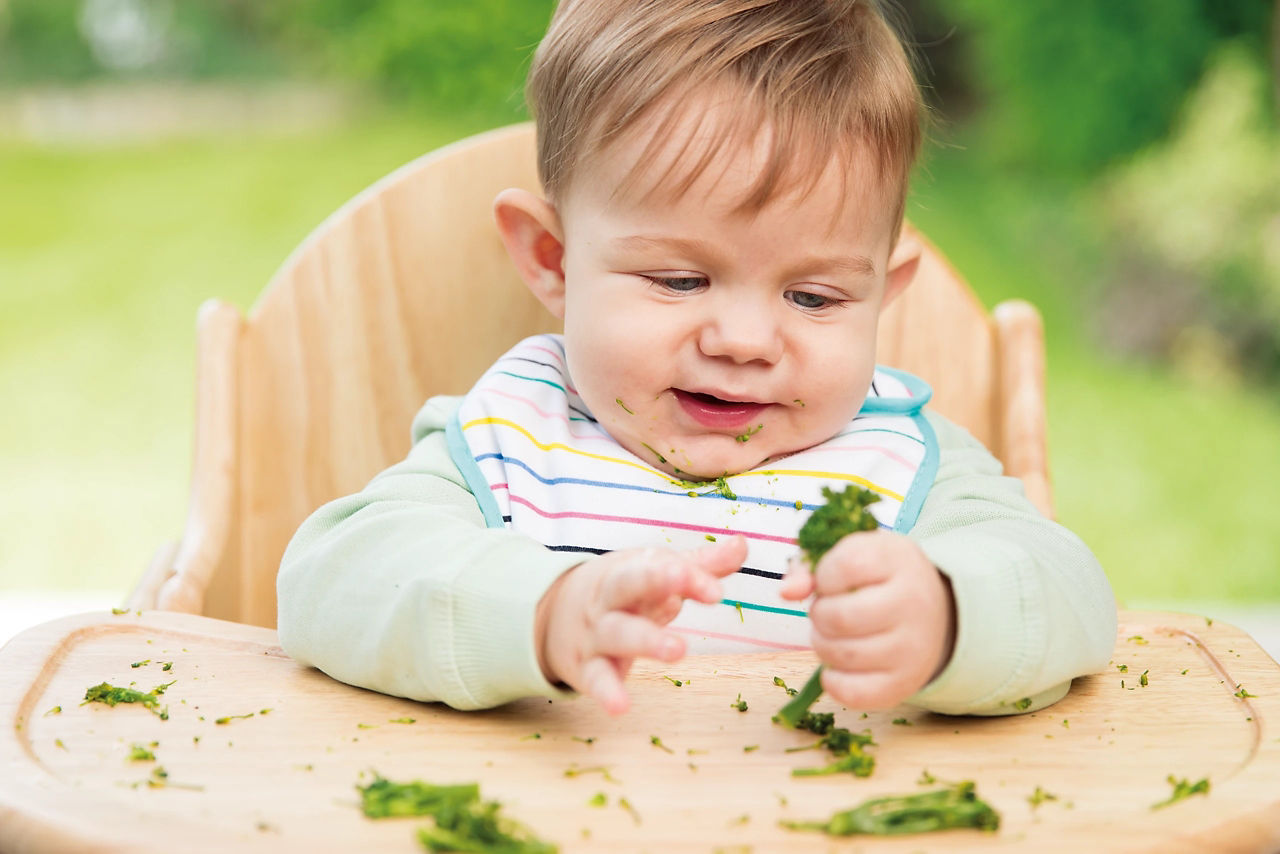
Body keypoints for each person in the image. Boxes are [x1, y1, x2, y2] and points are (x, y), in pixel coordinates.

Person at [276, 0, 1117, 719]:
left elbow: (1071, 594)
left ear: (882, 298)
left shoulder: (905, 467)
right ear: (551, 259)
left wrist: (948, 617)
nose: (744, 342)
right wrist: (536, 614)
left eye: (815, 298)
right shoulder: (512, 443)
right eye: (679, 279)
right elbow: (329, 583)